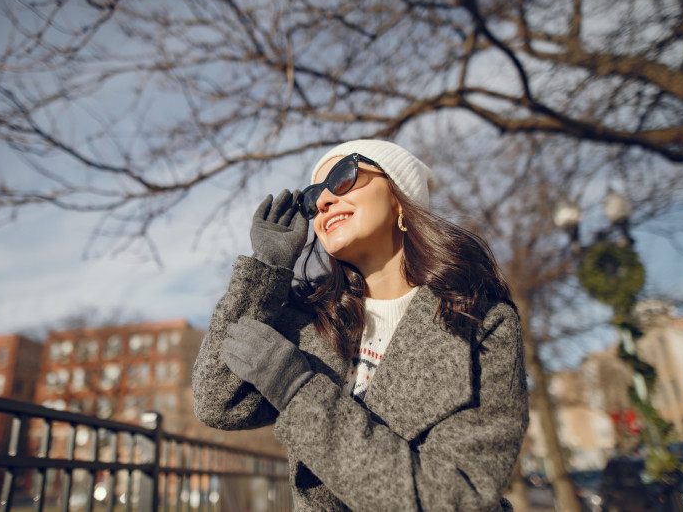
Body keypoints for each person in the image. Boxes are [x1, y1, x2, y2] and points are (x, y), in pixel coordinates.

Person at [192, 139, 529, 511]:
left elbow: (455, 498)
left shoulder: (483, 325)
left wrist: (298, 391)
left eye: (343, 177)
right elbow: (216, 401)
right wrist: (266, 270)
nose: (322, 202)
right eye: (312, 197)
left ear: (400, 197)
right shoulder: (316, 322)